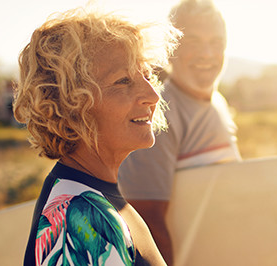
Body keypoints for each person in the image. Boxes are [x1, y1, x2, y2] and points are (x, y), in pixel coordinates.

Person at [13, 7, 179, 266]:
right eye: (123, 81)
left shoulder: (91, 196)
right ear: (70, 104)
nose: (153, 95)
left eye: (147, 76)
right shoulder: (82, 217)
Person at [118, 0, 241, 264]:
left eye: (216, 42)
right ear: (170, 49)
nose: (207, 53)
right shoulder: (157, 114)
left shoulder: (217, 102)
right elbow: (146, 221)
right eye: (193, 42)